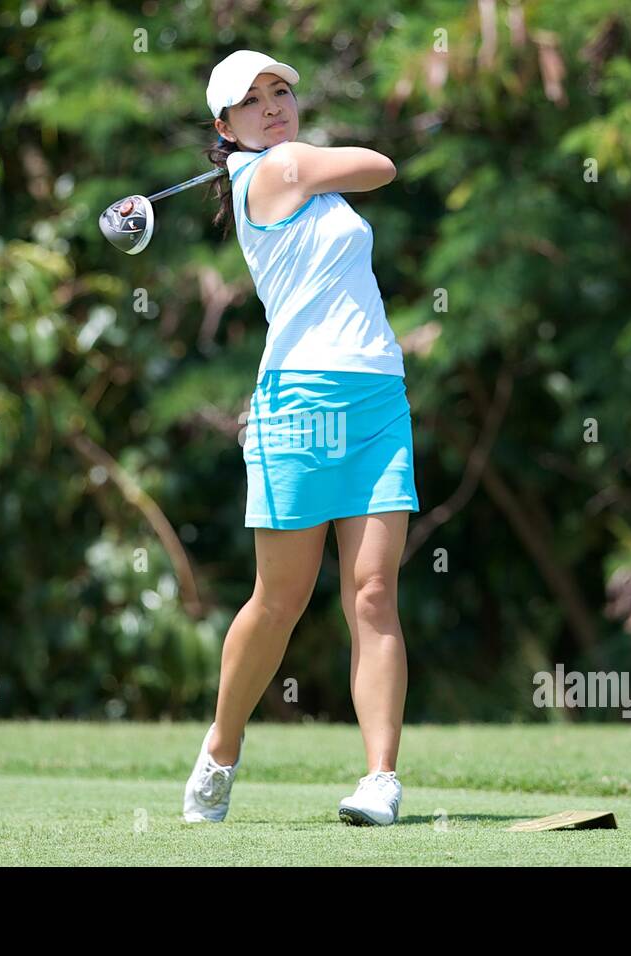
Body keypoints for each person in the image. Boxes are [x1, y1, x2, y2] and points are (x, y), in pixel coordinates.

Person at [182, 50, 420, 826]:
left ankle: (380, 780)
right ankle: (221, 748)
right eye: (251, 102)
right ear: (227, 129)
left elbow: (364, 176)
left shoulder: (297, 175)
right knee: (279, 600)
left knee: (375, 593)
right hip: (303, 400)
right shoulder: (272, 172)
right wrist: (278, 152)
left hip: (378, 392)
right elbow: (380, 163)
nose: (273, 106)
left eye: (281, 90)